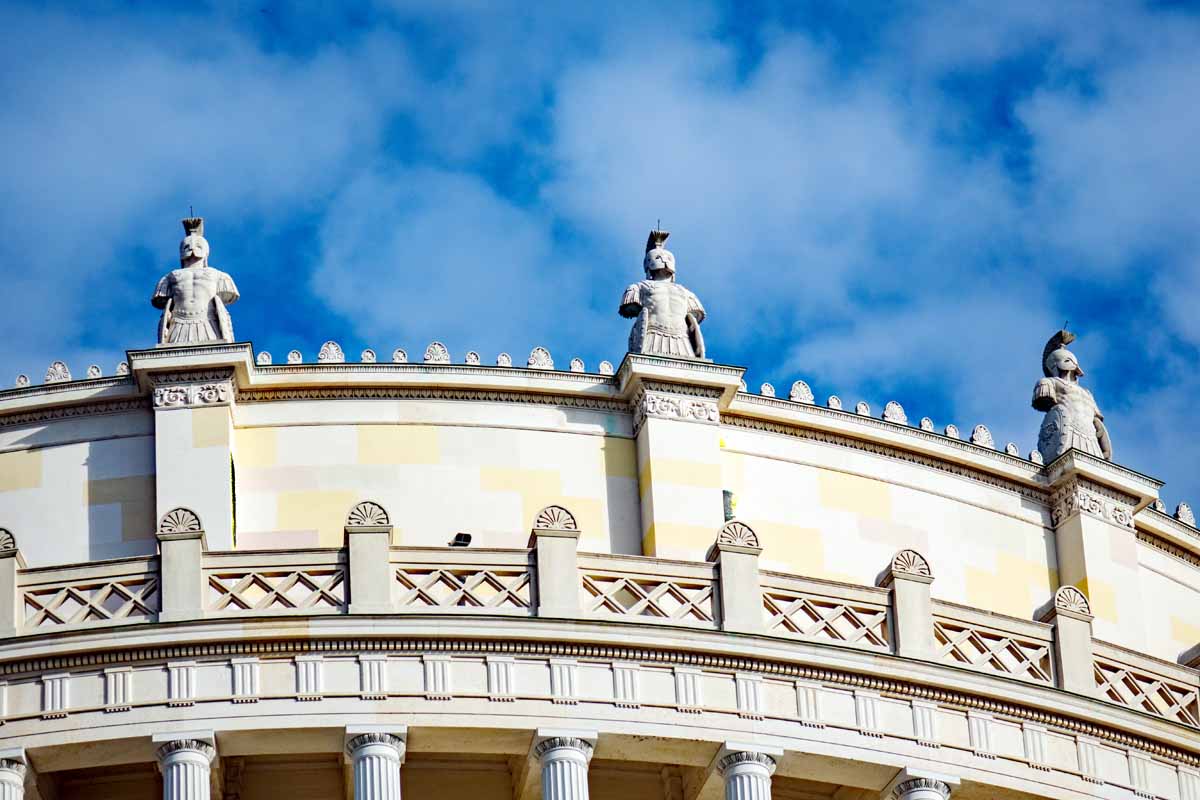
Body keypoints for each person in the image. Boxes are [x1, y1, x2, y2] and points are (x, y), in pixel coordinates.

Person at [619, 230, 706, 359]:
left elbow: (693, 320)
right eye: (658, 257)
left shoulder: (685, 292)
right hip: (652, 337)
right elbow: (630, 309)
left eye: (668, 258)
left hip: (683, 339)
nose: (664, 260)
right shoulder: (638, 287)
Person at [152, 217, 239, 345]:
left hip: (208, 321)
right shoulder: (171, 276)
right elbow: (161, 300)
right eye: (186, 246)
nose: (192, 248)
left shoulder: (218, 275)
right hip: (178, 323)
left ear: (206, 251)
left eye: (198, 245)